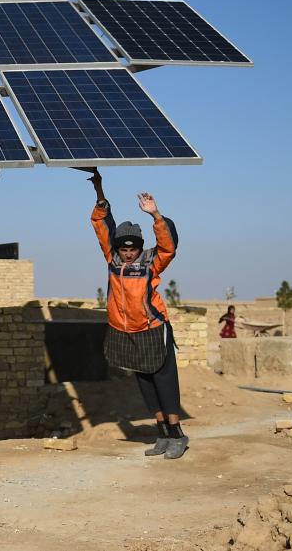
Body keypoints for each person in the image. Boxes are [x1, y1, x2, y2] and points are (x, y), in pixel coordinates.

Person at [88, 169, 188, 459]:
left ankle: (177, 435)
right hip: (124, 331)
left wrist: (156, 215)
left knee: (164, 380)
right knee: (144, 382)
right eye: (123, 247)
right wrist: (99, 190)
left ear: (140, 247)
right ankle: (161, 434)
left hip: (153, 327)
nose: (128, 252)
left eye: (132, 247)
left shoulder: (150, 263)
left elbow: (169, 247)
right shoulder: (112, 260)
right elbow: (101, 224)